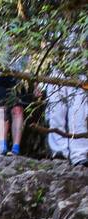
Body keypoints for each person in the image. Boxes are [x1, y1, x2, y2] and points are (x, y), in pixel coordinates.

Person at [0, 21, 30, 155]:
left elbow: (30, 49)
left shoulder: (24, 17)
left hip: (18, 72)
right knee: (1, 110)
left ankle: (15, 148)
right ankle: (2, 146)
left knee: (18, 110)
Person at [43, 23, 88, 166]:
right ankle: (59, 151)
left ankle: (79, 154)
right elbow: (43, 48)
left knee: (78, 112)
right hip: (56, 70)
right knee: (56, 112)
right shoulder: (52, 14)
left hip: (81, 69)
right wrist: (41, 81)